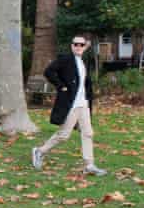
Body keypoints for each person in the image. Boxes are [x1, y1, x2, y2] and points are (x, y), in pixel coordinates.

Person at [31, 35, 107, 176]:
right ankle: (39, 151)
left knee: (88, 133)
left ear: (84, 47)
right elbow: (48, 71)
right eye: (75, 44)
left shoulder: (83, 61)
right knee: (64, 135)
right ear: (71, 46)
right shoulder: (65, 59)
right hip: (71, 105)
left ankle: (89, 165)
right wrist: (61, 86)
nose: (78, 47)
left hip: (83, 104)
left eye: (81, 45)